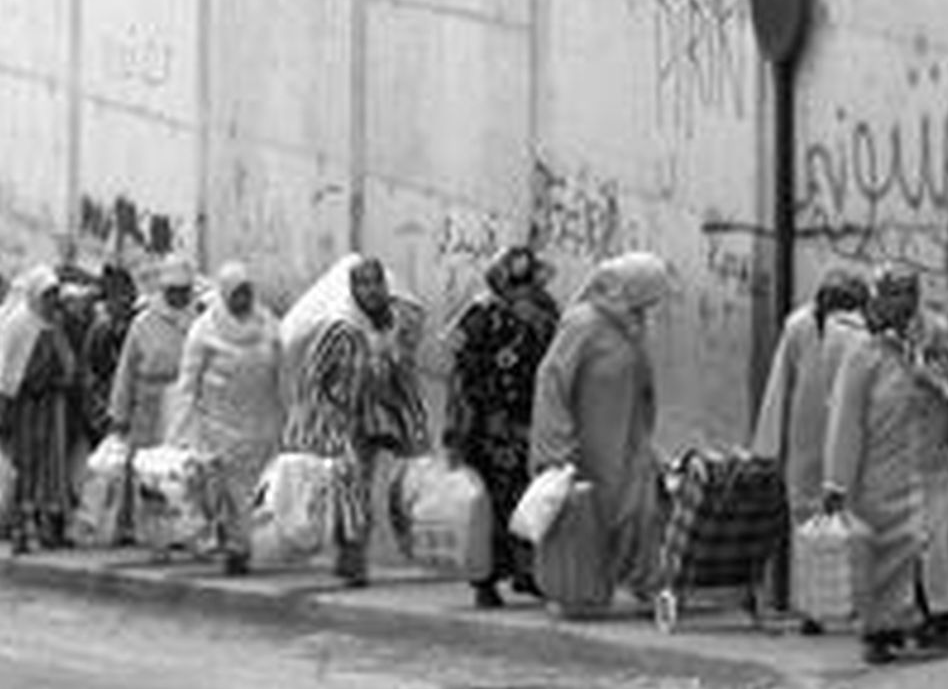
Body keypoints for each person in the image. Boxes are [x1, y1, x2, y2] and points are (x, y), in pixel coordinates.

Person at [823, 266, 948, 664]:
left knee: (938, 542)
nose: (898, 303)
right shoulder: (863, 353)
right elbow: (845, 420)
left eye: (905, 294)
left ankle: (937, 619)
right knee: (885, 551)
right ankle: (881, 630)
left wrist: (931, 371)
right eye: (890, 294)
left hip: (933, 466)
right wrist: (837, 482)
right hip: (881, 474)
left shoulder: (935, 342)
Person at [528, 251, 672, 614]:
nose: (650, 308)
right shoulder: (583, 324)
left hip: (628, 442)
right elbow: (552, 381)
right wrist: (557, 447)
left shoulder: (632, 326)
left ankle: (643, 584)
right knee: (587, 520)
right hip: (587, 446)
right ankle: (581, 590)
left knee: (641, 512)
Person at [281, 253, 430, 587]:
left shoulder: (394, 321)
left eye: (377, 282)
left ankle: (365, 552)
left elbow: (406, 371)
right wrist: (308, 421)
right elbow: (312, 375)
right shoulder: (339, 328)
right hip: (343, 418)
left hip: (383, 414)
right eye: (364, 283)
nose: (373, 290)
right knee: (352, 485)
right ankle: (352, 558)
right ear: (353, 289)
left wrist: (413, 418)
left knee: (388, 483)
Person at [751, 269, 871, 632]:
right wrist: (768, 446)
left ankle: (850, 603)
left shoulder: (860, 334)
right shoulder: (799, 327)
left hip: (848, 434)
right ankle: (813, 607)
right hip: (807, 435)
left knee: (849, 516)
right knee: (806, 522)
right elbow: (779, 384)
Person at [443, 247, 562, 608]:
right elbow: (461, 374)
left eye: (529, 283)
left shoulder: (547, 314)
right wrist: (460, 430)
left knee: (529, 499)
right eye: (518, 284)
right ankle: (486, 581)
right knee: (487, 507)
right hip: (486, 427)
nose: (524, 292)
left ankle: (529, 573)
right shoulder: (480, 316)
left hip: (529, 425)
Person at [168, 261, 284, 575]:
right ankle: (236, 548)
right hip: (219, 425)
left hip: (261, 422)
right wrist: (180, 431)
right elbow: (188, 383)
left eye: (247, 292)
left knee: (256, 490)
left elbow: (282, 370)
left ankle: (249, 546)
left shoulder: (267, 323)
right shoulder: (204, 330)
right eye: (237, 293)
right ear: (224, 293)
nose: (243, 299)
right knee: (229, 492)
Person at [0, 265, 76, 555]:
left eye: (54, 294)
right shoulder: (18, 324)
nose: (52, 301)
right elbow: (6, 370)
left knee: (53, 468)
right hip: (24, 406)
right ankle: (23, 529)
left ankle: (50, 527)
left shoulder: (54, 323)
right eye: (47, 295)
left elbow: (67, 363)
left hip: (54, 406)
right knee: (26, 466)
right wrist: (0, 412)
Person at [109, 255, 198, 448]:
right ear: (164, 290)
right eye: (173, 291)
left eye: (184, 291)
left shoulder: (200, 322)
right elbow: (126, 372)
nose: (179, 297)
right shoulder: (143, 323)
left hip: (187, 409)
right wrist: (120, 414)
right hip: (150, 408)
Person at [82, 262, 138, 443]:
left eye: (128, 294)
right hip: (107, 411)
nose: (125, 300)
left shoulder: (139, 325)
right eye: (118, 295)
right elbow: (91, 375)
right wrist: (100, 415)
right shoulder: (100, 330)